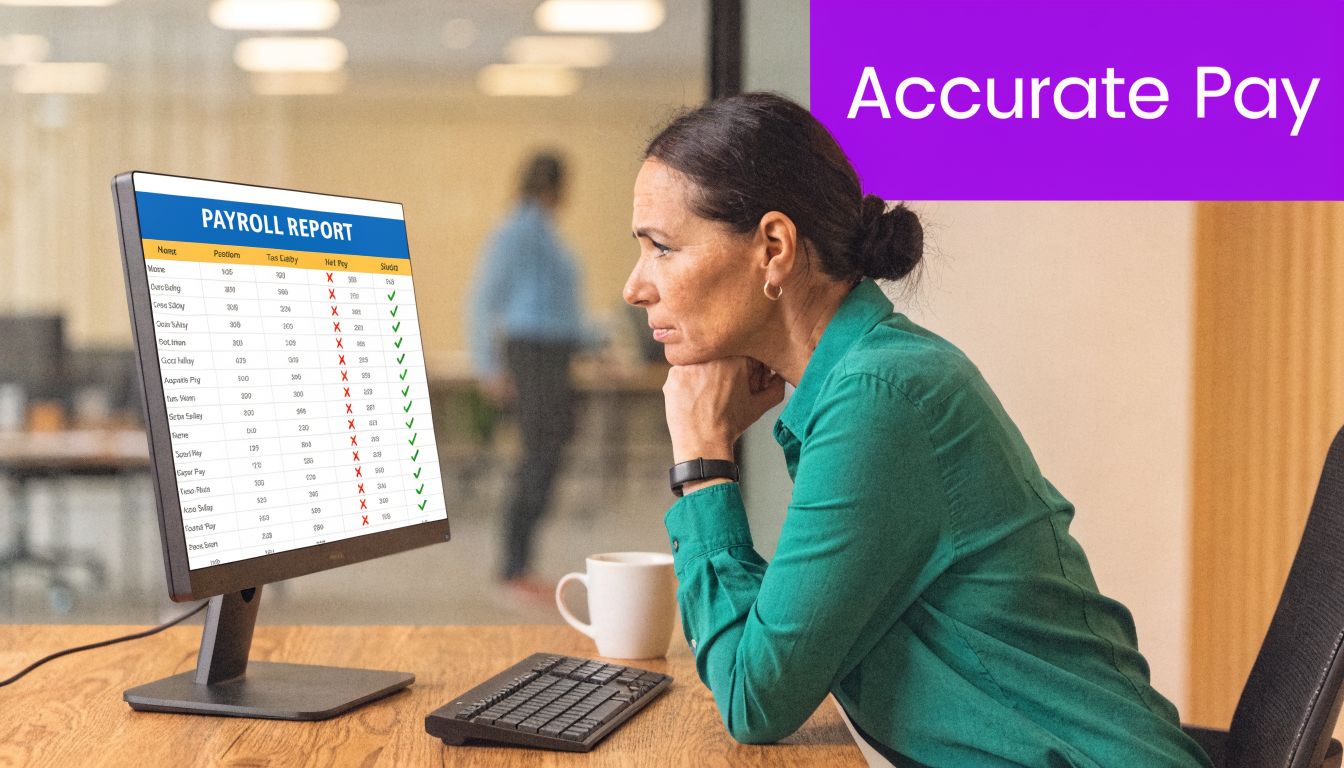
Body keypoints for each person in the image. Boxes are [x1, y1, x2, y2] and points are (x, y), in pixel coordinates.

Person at [622, 93, 1212, 768]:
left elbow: (755, 700)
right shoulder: (868, 379)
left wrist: (703, 463)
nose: (635, 287)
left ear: (774, 249)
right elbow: (773, 658)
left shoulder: (881, 399)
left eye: (662, 248)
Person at [468, 151, 590, 603]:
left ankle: (521, 563)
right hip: (529, 355)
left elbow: (562, 312)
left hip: (556, 355)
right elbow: (482, 302)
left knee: (551, 452)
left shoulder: (550, 238)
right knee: (536, 457)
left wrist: (594, 342)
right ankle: (513, 566)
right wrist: (488, 366)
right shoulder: (514, 233)